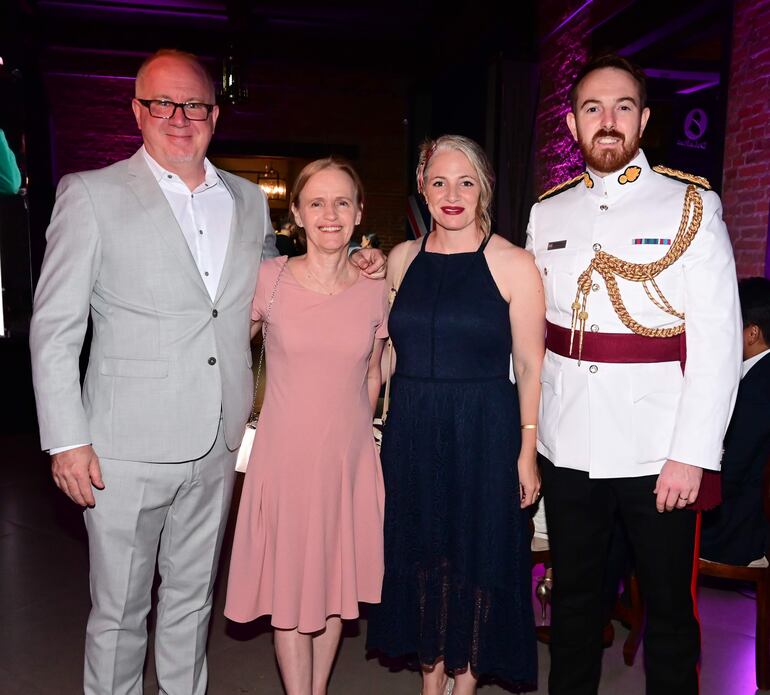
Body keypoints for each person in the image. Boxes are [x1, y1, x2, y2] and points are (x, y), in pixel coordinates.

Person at [28, 49, 385, 695]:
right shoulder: (90, 194)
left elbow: (286, 287)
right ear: (137, 111)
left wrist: (360, 260)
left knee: (192, 603)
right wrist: (66, 439)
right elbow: (55, 327)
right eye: (162, 103)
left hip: (219, 440)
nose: (179, 117)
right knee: (119, 612)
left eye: (193, 104)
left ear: (214, 115)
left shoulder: (246, 201)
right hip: (123, 447)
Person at [526, 54, 742, 694]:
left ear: (643, 120)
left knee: (669, 613)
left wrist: (692, 454)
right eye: (592, 108)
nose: (608, 120)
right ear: (572, 124)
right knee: (573, 606)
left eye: (623, 107)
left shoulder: (691, 204)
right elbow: (530, 332)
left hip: (658, 452)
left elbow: (718, 342)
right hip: (567, 444)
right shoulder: (547, 212)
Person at [367, 134, 544, 695]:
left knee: (476, 552)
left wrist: (527, 451)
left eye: (465, 182)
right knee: (420, 551)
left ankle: (463, 682)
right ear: (421, 188)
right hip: (413, 428)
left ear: (483, 188)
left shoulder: (514, 263)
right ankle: (431, 679)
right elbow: (386, 352)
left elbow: (530, 366)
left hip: (484, 430)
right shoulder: (401, 259)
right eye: (439, 182)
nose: (451, 195)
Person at [225, 158, 388, 695]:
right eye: (316, 202)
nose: (330, 214)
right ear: (295, 213)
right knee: (292, 594)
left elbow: (373, 374)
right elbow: (226, 353)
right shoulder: (268, 279)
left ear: (359, 212)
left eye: (342, 202)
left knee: (334, 588)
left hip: (347, 461)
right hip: (285, 461)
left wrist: (358, 439)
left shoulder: (375, 289)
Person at [702, 276, 770, 567]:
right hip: (744, 517)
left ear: (752, 333)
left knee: (642, 520)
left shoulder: (759, 388)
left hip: (737, 530)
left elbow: (732, 470)